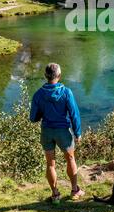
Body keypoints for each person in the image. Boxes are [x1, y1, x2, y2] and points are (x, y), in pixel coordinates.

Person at [30, 63, 85, 204]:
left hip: (47, 131)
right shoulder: (66, 92)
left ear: (45, 76)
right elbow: (74, 114)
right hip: (63, 132)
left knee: (50, 164)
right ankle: (74, 191)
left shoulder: (38, 94)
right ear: (59, 76)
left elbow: (33, 118)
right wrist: (78, 132)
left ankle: (55, 195)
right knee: (70, 160)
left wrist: (43, 112)